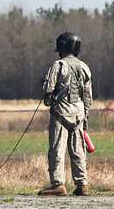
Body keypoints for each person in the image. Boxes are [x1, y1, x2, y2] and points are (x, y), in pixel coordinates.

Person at [38, 31, 93, 196]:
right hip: (79, 115)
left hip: (61, 114)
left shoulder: (58, 65)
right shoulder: (84, 67)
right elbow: (88, 96)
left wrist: (49, 100)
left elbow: (48, 90)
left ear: (62, 47)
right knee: (78, 151)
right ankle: (82, 184)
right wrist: (85, 117)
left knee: (57, 150)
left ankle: (58, 184)